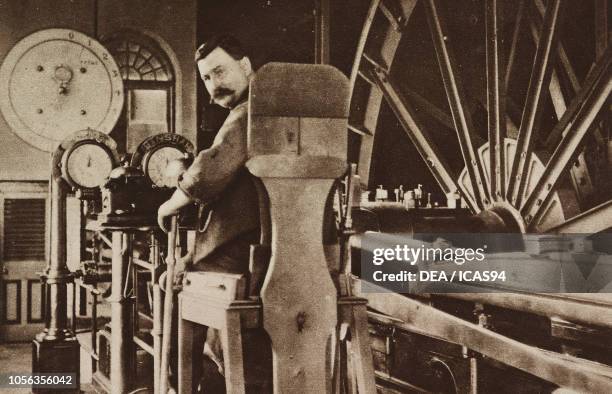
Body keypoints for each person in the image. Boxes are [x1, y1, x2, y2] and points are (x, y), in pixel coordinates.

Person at [157, 34, 271, 393]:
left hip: (250, 259)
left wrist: (170, 203)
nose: (214, 84)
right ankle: (218, 366)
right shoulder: (280, 108)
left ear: (247, 66)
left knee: (168, 283)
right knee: (181, 268)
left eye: (219, 71)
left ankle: (187, 385)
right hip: (280, 251)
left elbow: (211, 170)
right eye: (206, 77)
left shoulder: (249, 111)